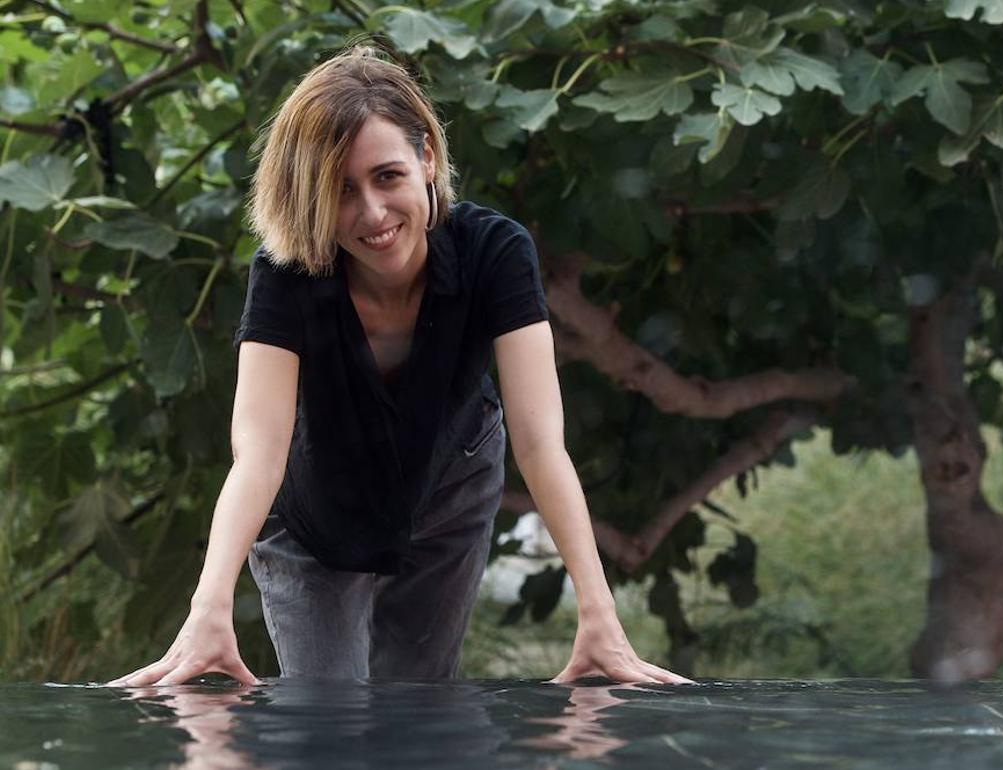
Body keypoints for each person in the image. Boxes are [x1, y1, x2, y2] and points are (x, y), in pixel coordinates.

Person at [106, 45, 691, 687]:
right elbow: (258, 451)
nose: (372, 213)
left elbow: (540, 441)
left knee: (418, 707)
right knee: (327, 715)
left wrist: (599, 613)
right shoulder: (285, 272)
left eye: (387, 176)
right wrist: (208, 608)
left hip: (452, 482)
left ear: (427, 159)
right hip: (317, 508)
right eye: (340, 190)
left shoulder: (495, 251)